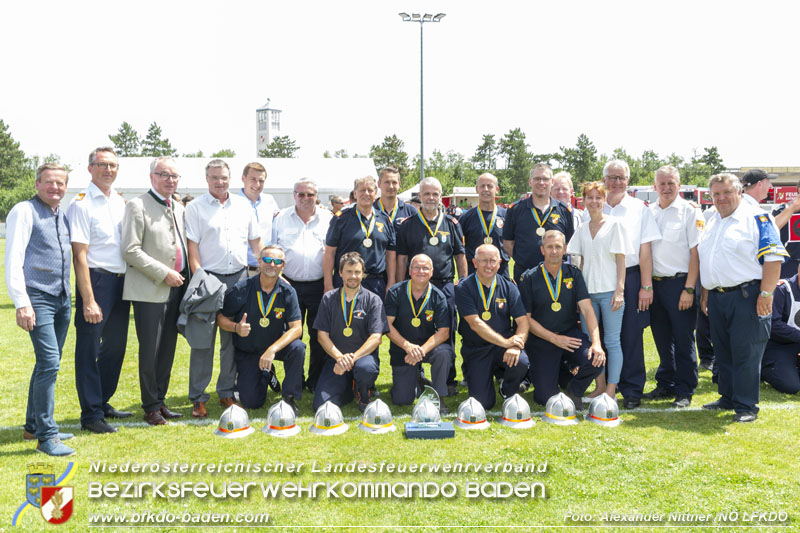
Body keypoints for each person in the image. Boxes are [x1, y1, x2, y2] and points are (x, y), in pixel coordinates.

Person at [699, 173, 788, 422]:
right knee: (724, 350)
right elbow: (708, 261)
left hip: (747, 295)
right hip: (718, 297)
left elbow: (773, 258)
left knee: (746, 352)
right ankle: (727, 397)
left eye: (726, 192)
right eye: (716, 194)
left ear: (739, 192)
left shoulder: (758, 218)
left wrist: (766, 294)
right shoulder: (713, 221)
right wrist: (706, 293)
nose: (721, 198)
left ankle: (747, 406)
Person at [581, 160, 661, 409]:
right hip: (597, 280)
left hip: (630, 277)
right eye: (612, 177)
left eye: (621, 177)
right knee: (600, 337)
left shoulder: (639, 209)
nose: (616, 182)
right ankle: (602, 387)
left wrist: (645, 285)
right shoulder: (591, 208)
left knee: (630, 336)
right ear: (604, 180)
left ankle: (632, 389)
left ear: (628, 180)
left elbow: (645, 249)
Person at [6, 164, 75, 456]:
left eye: (60, 183)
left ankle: (33, 426)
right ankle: (46, 437)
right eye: (49, 182)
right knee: (49, 364)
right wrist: (22, 302)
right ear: (37, 184)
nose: (55, 188)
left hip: (62, 298)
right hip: (38, 298)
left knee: (47, 364)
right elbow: (13, 260)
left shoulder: (61, 213)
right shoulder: (24, 211)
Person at [184, 159, 262, 413]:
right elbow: (192, 252)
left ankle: (227, 392)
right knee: (203, 342)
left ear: (232, 179)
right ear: (206, 179)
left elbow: (255, 244)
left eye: (224, 177)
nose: (220, 182)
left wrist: (269, 269)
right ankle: (198, 397)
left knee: (232, 339)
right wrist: (201, 282)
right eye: (215, 177)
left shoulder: (243, 206)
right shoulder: (195, 208)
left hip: (239, 279)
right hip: (208, 280)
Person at [121, 156, 189, 426]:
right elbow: (130, 250)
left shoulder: (179, 207)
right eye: (164, 175)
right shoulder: (137, 205)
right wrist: (164, 273)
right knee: (151, 349)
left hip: (177, 288)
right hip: (150, 289)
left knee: (168, 349)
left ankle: (160, 400)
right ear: (152, 177)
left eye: (174, 176)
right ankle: (150, 406)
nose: (170, 180)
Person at [67, 146, 130, 434]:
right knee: (89, 349)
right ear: (90, 168)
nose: (108, 170)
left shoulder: (119, 201)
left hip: (121, 282)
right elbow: (79, 255)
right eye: (102, 165)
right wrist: (89, 299)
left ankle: (102, 401)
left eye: (113, 166)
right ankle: (90, 414)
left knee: (115, 348)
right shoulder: (81, 204)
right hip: (96, 281)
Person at [519, 230, 605, 407]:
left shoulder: (573, 274)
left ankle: (573, 390)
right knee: (545, 398)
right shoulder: (530, 277)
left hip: (570, 334)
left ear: (565, 249)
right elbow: (526, 319)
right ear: (542, 249)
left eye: (558, 247)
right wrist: (554, 339)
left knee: (595, 360)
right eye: (549, 247)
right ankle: (559, 372)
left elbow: (587, 310)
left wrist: (596, 343)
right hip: (543, 338)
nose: (554, 251)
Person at [396, 177, 466, 391]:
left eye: (435, 194)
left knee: (448, 330)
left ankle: (448, 379)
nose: (431, 198)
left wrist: (461, 283)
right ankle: (416, 374)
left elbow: (460, 255)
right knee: (414, 328)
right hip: (415, 286)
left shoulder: (452, 223)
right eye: (427, 194)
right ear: (420, 195)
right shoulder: (408, 225)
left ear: (440, 196)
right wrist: (400, 285)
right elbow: (401, 258)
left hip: (444, 285)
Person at [216, 245, 306, 412]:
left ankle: (289, 398)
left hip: (275, 347)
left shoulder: (288, 291)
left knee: (298, 347)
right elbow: (221, 318)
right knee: (252, 402)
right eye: (267, 260)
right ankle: (267, 373)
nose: (272, 264)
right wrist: (236, 327)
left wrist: (272, 350)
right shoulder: (242, 288)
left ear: (283, 266)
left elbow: (297, 329)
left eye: (277, 261)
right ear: (259, 262)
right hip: (249, 350)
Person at [644, 166, 704, 407]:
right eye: (662, 184)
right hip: (655, 285)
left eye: (671, 183)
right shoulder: (649, 212)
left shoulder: (690, 212)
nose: (666, 188)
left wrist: (689, 289)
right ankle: (666, 383)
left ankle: (685, 389)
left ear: (679, 185)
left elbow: (696, 252)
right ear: (654, 186)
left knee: (682, 339)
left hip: (680, 283)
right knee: (661, 338)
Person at [567, 181, 632, 399]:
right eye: (589, 198)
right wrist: (578, 294)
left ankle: (611, 390)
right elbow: (579, 261)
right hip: (588, 296)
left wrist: (620, 290)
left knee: (612, 342)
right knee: (592, 342)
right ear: (583, 201)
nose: (594, 202)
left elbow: (621, 260)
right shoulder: (582, 228)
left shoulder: (615, 225)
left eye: (598, 198)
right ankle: (600, 385)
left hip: (610, 293)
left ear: (604, 200)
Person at [271, 178, 333, 393]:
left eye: (310, 194)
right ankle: (294, 380)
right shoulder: (280, 219)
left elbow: (331, 253)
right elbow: (273, 251)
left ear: (317, 196)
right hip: (288, 285)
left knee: (319, 335)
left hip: (320, 285)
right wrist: (280, 279)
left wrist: (328, 284)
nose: (305, 198)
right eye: (301, 194)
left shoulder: (328, 218)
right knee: (290, 335)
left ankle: (315, 381)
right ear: (294, 195)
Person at [455, 244, 530, 409]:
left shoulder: (509, 287)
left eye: (492, 261)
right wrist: (506, 343)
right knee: (483, 403)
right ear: (474, 262)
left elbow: (523, 322)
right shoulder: (464, 287)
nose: (488, 265)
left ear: (500, 263)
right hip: (477, 349)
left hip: (504, 347)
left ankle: (508, 389)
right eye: (484, 261)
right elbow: (475, 324)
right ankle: (473, 372)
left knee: (521, 361)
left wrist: (516, 345)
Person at [312, 252, 389, 411]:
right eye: (348, 271)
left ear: (363, 274)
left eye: (357, 272)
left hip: (363, 359)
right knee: (321, 405)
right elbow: (322, 336)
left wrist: (352, 358)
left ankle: (363, 391)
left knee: (364, 369)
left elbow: (376, 338)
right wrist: (340, 358)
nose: (353, 276)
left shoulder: (373, 300)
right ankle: (349, 386)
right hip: (336, 359)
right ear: (340, 273)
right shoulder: (329, 298)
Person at [385, 254, 453, 412]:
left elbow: (444, 332)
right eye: (416, 267)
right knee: (402, 400)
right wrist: (408, 347)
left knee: (444, 353)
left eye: (425, 268)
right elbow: (386, 325)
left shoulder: (438, 296)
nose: (420, 271)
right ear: (409, 271)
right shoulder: (396, 292)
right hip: (403, 350)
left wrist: (421, 351)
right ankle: (417, 379)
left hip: (428, 349)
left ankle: (438, 397)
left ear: (431, 272)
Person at [323, 176, 396, 298]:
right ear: (355, 193)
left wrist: (391, 282)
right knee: (345, 317)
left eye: (370, 190)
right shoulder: (341, 218)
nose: (366, 194)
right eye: (362, 190)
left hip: (376, 283)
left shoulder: (385, 220)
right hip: (346, 282)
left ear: (376, 193)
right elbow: (329, 253)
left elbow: (390, 255)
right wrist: (328, 284)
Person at [503, 163, 574, 283]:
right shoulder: (515, 209)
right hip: (524, 275)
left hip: (556, 275)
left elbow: (569, 242)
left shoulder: (564, 210)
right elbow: (507, 242)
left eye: (545, 179)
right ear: (530, 182)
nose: (541, 182)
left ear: (552, 182)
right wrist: (522, 259)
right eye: (537, 179)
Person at [460, 172, 510, 278]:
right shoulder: (466, 217)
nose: (486, 189)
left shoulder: (507, 216)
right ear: (477, 189)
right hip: (473, 271)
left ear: (497, 189)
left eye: (490, 186)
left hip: (501, 271)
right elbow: (458, 248)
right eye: (482, 186)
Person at [238, 162, 279, 276]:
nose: (257, 184)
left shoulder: (269, 201)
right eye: (253, 179)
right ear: (243, 178)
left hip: (266, 268)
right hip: (242, 270)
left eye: (261, 180)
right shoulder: (233, 204)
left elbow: (282, 220)